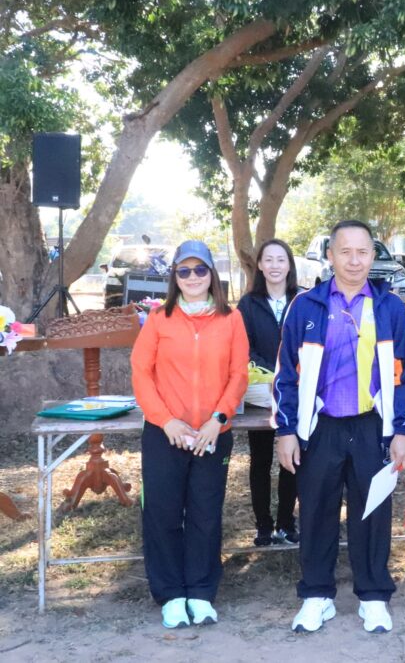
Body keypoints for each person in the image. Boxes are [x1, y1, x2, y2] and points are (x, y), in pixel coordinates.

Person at [272, 220, 405, 635]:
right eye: (345, 251)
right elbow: (286, 374)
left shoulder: (391, 308)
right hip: (321, 427)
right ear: (330, 255)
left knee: (372, 511)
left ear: (373, 256)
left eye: (362, 252)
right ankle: (316, 596)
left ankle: (373, 597)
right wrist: (286, 429)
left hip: (373, 427)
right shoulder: (306, 306)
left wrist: (403, 430)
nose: (354, 260)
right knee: (316, 510)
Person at [130, 240, 249, 629]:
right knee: (162, 514)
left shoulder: (231, 319)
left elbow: (238, 374)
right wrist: (166, 421)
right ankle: (170, 595)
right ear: (175, 277)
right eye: (184, 270)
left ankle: (200, 591)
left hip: (211, 435)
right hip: (165, 435)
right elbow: (141, 373)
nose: (193, 277)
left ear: (211, 274)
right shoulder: (159, 319)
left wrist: (218, 420)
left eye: (200, 270)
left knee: (205, 514)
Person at [237, 239, 300, 547]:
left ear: (289, 265)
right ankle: (263, 526)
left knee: (293, 457)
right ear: (260, 265)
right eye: (269, 260)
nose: (275, 265)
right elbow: (243, 346)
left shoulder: (302, 300)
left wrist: (290, 373)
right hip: (260, 394)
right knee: (260, 460)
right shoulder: (248, 304)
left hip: (296, 392)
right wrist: (271, 372)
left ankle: (286, 523)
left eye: (281, 259)